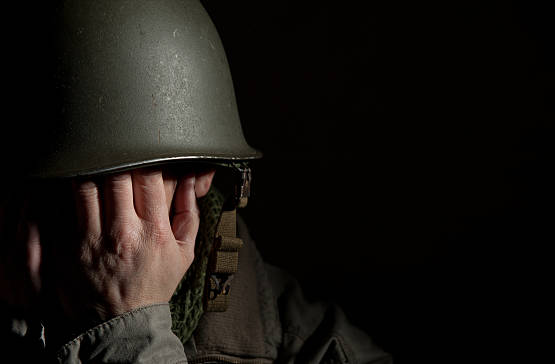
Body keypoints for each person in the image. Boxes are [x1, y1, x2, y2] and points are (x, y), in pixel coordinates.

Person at [0, 0, 392, 363]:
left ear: (201, 178)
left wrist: (130, 331)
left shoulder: (318, 349)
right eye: (53, 191)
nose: (94, 226)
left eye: (114, 185)